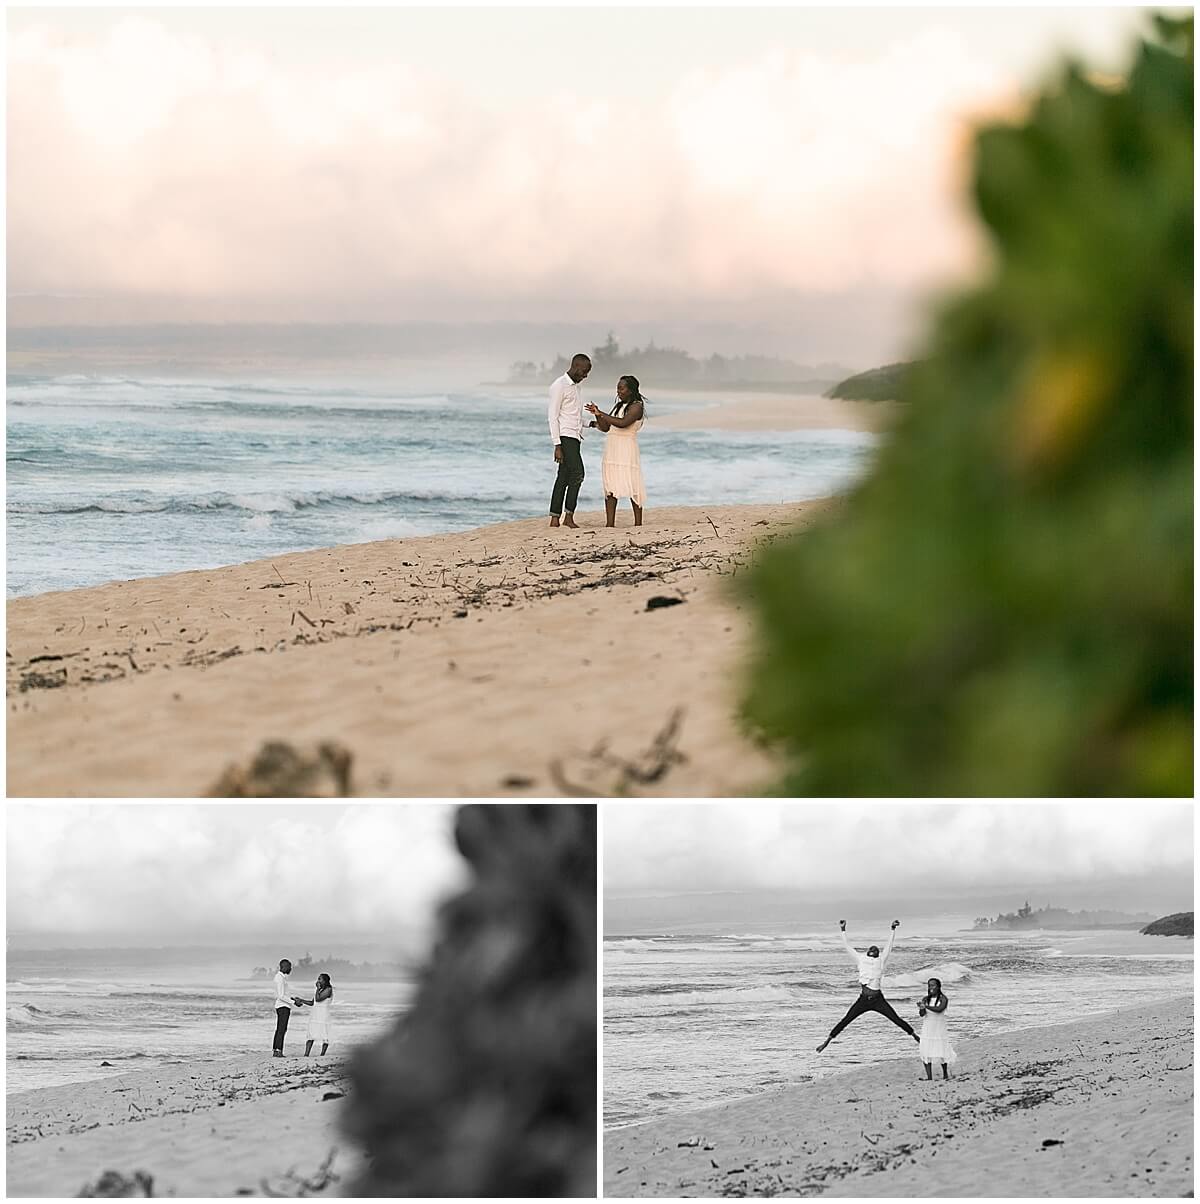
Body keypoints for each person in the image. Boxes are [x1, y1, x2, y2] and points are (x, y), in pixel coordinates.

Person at [816, 919, 919, 1052]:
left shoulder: (881, 960)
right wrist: (843, 930)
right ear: (867, 952)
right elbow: (847, 946)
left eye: (875, 948)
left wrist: (893, 929)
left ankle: (915, 1036)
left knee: (895, 1019)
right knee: (846, 1020)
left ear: (877, 953)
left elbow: (889, 946)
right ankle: (827, 1041)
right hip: (863, 1000)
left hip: (878, 1000)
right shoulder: (860, 958)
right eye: (871, 948)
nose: (873, 948)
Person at [585, 375, 646, 527]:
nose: (618, 391)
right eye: (617, 388)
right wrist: (597, 415)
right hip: (612, 447)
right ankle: (610, 524)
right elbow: (606, 427)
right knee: (610, 485)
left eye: (621, 388)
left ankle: (638, 523)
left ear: (631, 390)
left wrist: (602, 413)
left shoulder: (637, 406)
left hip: (627, 447)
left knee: (633, 483)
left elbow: (623, 423)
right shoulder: (619, 406)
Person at [548, 354, 591, 529]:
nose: (585, 376)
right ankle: (568, 516)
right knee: (578, 474)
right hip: (565, 438)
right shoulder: (559, 386)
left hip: (575, 436)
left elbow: (574, 417)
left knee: (563, 477)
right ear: (575, 366)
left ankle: (554, 519)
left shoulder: (576, 388)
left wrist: (592, 423)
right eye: (584, 371)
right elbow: (553, 416)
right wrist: (557, 444)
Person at [917, 976, 957, 1079]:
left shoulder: (943, 998)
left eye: (933, 985)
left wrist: (926, 1006)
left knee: (941, 1049)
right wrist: (922, 1008)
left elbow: (939, 1009)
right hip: (928, 1026)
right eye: (929, 985)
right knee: (925, 1050)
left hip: (939, 1026)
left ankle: (945, 1074)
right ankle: (929, 1077)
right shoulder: (925, 999)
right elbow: (922, 1014)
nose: (931, 987)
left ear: (938, 987)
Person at [292, 972, 334, 1057]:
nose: (318, 981)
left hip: (323, 1014)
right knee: (311, 1034)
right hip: (315, 1014)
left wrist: (317, 988)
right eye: (318, 979)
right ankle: (306, 1054)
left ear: (325, 981)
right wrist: (301, 1000)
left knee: (325, 1035)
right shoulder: (319, 990)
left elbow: (318, 999)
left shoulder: (329, 989)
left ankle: (322, 1054)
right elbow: (312, 1002)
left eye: (320, 979)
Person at [272, 958, 294, 1058]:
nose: (290, 968)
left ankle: (276, 1050)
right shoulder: (280, 978)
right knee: (281, 1029)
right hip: (282, 1006)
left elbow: (283, 994)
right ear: (283, 967)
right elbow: (281, 995)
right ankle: (278, 1050)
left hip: (283, 1005)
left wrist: (292, 998)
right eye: (289, 966)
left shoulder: (281, 977)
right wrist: (293, 1002)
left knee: (280, 1029)